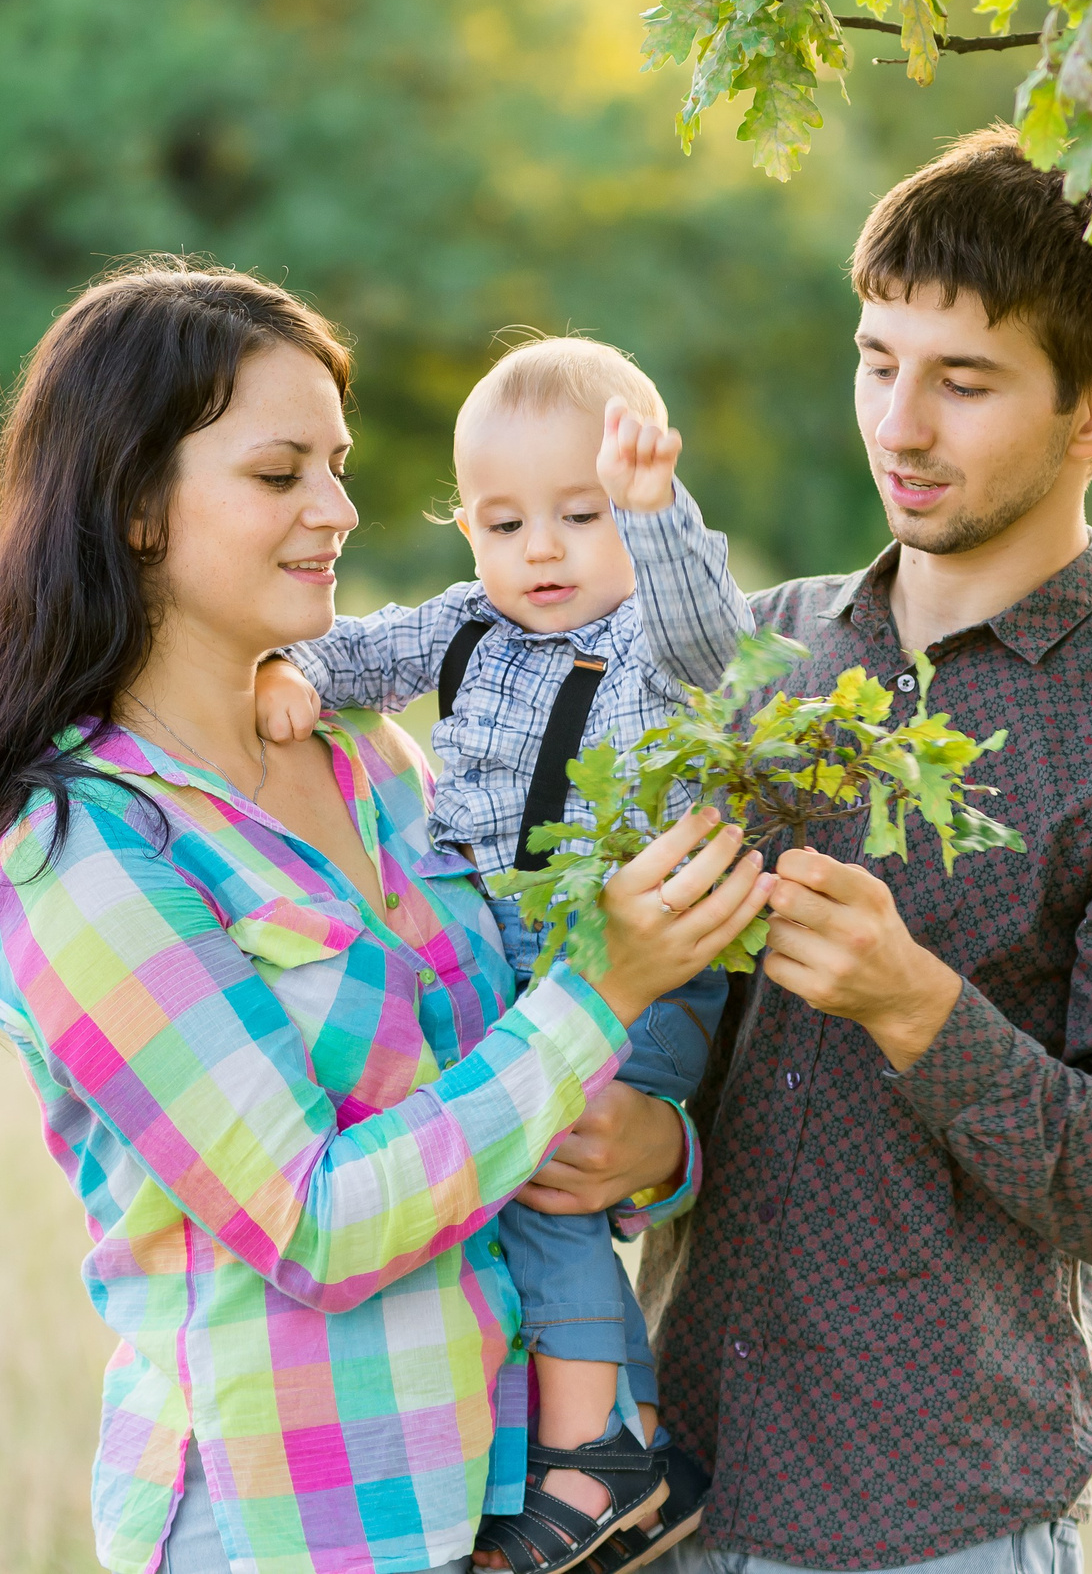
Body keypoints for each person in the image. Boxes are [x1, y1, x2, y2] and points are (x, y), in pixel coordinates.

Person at [0, 262, 776, 1574]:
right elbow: (314, 1220)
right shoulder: (88, 853)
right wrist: (605, 987)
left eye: (339, 462)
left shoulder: (370, 754)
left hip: (511, 1508)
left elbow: (509, 1072)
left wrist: (655, 1145)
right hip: (292, 1529)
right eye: (280, 475)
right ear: (139, 509)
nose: (340, 509)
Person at [556, 127, 1092, 1574]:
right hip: (667, 1497)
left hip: (931, 1526)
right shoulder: (758, 653)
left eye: (964, 383)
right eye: (876, 359)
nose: (900, 424)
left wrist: (918, 1005)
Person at [252, 336, 748, 1573]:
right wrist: (299, 677)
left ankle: (596, 1453)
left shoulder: (650, 635)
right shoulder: (469, 628)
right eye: (503, 520)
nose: (542, 549)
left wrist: (659, 517)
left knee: (544, 1165)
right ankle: (611, 1434)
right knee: (530, 1168)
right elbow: (367, 649)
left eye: (581, 515)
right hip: (529, 961)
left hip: (646, 948)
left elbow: (714, 641)